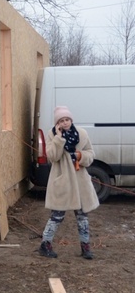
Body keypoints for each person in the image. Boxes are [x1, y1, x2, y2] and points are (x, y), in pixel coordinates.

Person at [39, 105, 99, 260]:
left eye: (67, 119)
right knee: (57, 215)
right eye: (61, 120)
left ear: (71, 120)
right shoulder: (52, 135)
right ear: (57, 123)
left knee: (82, 217)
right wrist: (59, 138)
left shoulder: (82, 134)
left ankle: (86, 247)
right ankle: (45, 245)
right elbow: (52, 157)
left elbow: (91, 154)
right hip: (63, 181)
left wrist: (80, 156)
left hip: (80, 182)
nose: (65, 123)